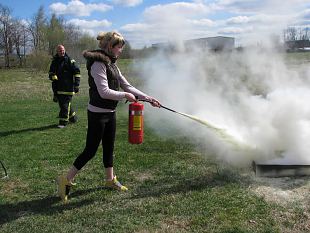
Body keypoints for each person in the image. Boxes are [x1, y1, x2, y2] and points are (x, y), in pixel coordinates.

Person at [56, 31, 161, 202]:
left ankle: (109, 180)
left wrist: (148, 98)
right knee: (90, 150)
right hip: (97, 113)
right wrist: (125, 96)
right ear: (110, 47)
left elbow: (127, 85)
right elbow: (104, 92)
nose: (121, 50)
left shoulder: (112, 64)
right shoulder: (99, 64)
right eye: (119, 47)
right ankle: (65, 180)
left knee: (109, 147)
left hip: (109, 113)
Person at [49, 45, 81, 128]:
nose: (61, 52)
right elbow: (51, 72)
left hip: (68, 88)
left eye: (63, 50)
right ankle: (73, 118)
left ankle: (63, 122)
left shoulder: (70, 60)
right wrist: (52, 76)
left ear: (65, 50)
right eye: (60, 51)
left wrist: (77, 85)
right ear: (57, 52)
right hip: (57, 88)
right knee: (63, 104)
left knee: (65, 105)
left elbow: (77, 72)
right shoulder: (54, 61)